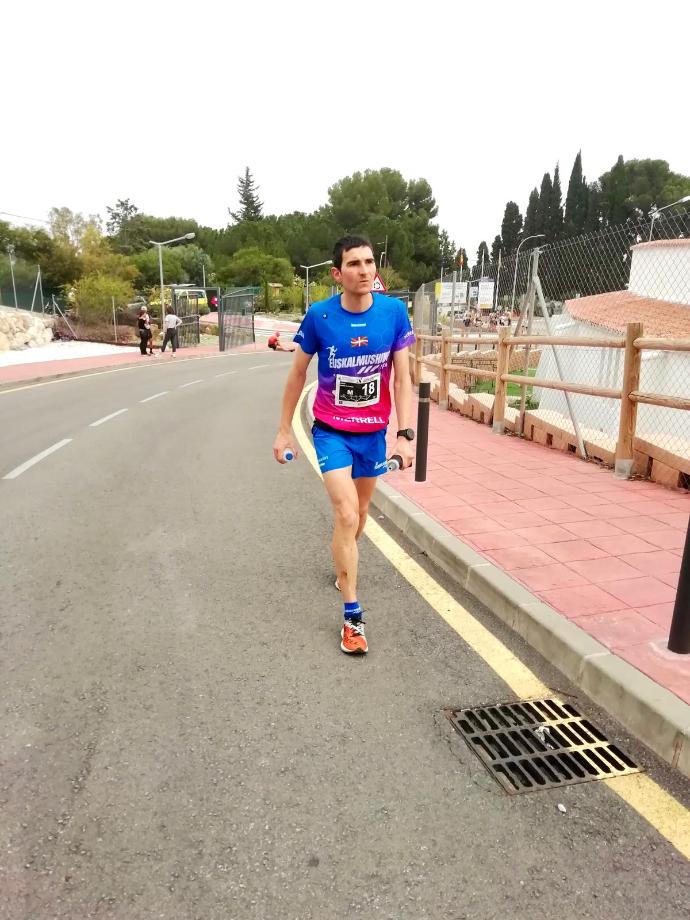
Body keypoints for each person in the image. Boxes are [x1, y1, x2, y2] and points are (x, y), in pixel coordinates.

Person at [273, 235, 415, 655]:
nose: (364, 270)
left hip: (373, 434)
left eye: (369, 262)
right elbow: (297, 375)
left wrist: (406, 435)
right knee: (346, 512)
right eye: (354, 264)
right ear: (337, 273)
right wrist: (284, 430)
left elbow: (403, 379)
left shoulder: (393, 312)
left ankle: (343, 565)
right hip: (331, 431)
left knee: (362, 513)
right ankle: (352, 617)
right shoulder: (320, 316)